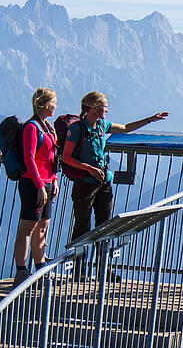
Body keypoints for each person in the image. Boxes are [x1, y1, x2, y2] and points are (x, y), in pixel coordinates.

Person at [62, 91, 168, 244]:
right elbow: (66, 157)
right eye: (105, 107)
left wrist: (150, 120)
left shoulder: (101, 125)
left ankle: (100, 262)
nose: (107, 110)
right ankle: (79, 265)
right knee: (82, 225)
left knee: (105, 224)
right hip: (84, 182)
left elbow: (125, 128)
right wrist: (89, 168)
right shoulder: (77, 129)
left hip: (104, 181)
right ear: (94, 107)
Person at [12, 88, 60, 287]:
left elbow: (50, 158)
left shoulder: (47, 126)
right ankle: (21, 272)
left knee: (43, 226)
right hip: (33, 184)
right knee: (27, 227)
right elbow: (29, 159)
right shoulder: (32, 127)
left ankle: (40, 269)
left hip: (47, 182)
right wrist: (40, 185)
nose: (56, 106)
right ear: (47, 104)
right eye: (54, 102)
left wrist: (54, 179)